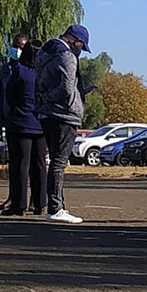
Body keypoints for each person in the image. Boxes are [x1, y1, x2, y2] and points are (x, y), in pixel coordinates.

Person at [36, 24, 91, 222]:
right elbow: (67, 88)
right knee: (60, 162)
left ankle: (58, 205)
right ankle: (56, 208)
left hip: (46, 113)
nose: (81, 51)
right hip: (65, 115)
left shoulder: (43, 54)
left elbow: (41, 83)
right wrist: (74, 99)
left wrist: (45, 99)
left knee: (55, 161)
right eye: (81, 47)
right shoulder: (67, 56)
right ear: (75, 41)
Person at [0, 41, 45, 215]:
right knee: (39, 164)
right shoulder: (43, 73)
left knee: (20, 165)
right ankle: (40, 203)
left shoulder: (19, 71)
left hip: (20, 123)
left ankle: (19, 205)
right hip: (40, 124)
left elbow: (9, 94)